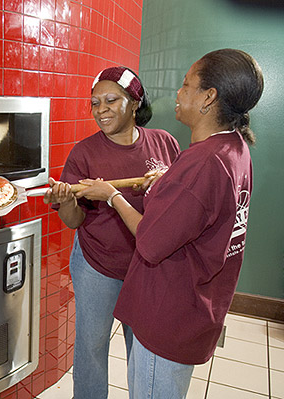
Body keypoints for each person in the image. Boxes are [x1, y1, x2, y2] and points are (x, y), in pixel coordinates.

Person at [79, 48, 264, 397]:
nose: (177, 93)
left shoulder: (200, 164)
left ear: (208, 98)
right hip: (197, 307)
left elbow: (149, 240)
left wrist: (112, 196)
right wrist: (169, 179)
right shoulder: (233, 149)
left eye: (186, 84)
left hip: (169, 316)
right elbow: (201, 208)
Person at [43, 66, 180, 398]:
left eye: (110, 100)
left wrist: (165, 182)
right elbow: (75, 221)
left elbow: (179, 205)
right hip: (96, 266)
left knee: (143, 346)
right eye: (94, 103)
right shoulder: (85, 153)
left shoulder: (163, 143)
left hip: (147, 266)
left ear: (134, 102)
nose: (100, 110)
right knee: (91, 345)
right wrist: (64, 201)